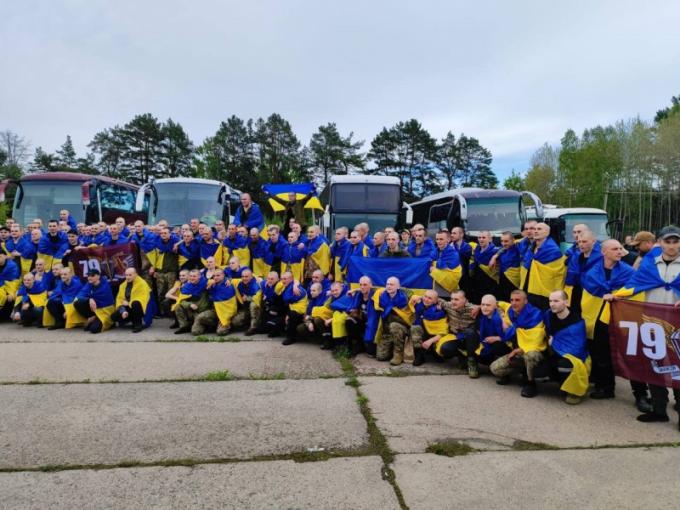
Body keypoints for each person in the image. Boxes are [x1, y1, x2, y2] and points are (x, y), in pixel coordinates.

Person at [613, 225, 680, 427]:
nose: (671, 246)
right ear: (659, 243)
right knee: (654, 365)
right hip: (653, 323)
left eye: (675, 241)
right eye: (667, 241)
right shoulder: (650, 264)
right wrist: (616, 296)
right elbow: (634, 285)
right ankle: (659, 410)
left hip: (677, 324)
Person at [580, 239, 635, 400]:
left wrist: (616, 294)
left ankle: (639, 393)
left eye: (620, 248)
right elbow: (589, 291)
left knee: (627, 354)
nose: (619, 251)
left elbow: (633, 290)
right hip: (597, 316)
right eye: (615, 249)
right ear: (604, 252)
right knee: (600, 352)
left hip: (619, 318)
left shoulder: (628, 271)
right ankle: (604, 387)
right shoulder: (592, 272)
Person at [490, 290, 547, 398]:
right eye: (511, 300)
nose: (513, 303)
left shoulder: (535, 315)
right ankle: (523, 371)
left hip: (534, 351)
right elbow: (497, 303)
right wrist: (502, 317)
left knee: (531, 355)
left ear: (525, 301)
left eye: (517, 300)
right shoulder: (510, 310)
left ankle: (531, 384)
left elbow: (536, 342)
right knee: (495, 369)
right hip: (517, 351)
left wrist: (518, 350)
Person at [544, 290, 591, 405]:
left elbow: (577, 348)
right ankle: (560, 383)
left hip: (575, 358)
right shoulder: (548, 314)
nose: (552, 304)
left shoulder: (577, 321)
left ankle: (573, 392)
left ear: (566, 302)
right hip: (555, 351)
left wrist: (554, 342)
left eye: (556, 301)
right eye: (550, 301)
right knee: (537, 366)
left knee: (565, 364)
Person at [520, 222, 566, 310]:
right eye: (535, 229)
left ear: (547, 233)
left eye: (539, 229)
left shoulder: (553, 250)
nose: (536, 231)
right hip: (529, 288)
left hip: (544, 293)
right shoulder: (531, 247)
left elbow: (558, 273)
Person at [465, 295, 513, 378]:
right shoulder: (481, 315)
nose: (485, 307)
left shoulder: (503, 319)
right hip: (485, 344)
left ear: (495, 306)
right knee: (470, 333)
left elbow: (513, 335)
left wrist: (498, 338)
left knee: (498, 345)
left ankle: (505, 371)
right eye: (483, 304)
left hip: (504, 345)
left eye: (488, 305)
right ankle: (472, 364)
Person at [371, 277, 413, 365]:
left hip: (400, 329)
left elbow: (407, 316)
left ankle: (398, 353)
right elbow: (367, 289)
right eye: (387, 284)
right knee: (380, 357)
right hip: (386, 331)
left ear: (398, 287)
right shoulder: (381, 297)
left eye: (392, 284)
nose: (389, 286)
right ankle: (390, 348)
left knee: (394, 326)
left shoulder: (403, 299)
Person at [410, 290, 456, 367]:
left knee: (438, 340)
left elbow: (430, 316)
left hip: (434, 333)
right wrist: (417, 298)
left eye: (430, 298)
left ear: (435, 301)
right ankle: (419, 355)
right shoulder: (418, 303)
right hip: (421, 330)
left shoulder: (440, 310)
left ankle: (435, 353)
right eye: (425, 296)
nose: (426, 299)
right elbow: (416, 308)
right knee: (415, 329)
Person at [564, 230, 601, 316]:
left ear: (593, 241)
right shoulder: (576, 256)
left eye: (584, 242)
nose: (581, 244)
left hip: (591, 294)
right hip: (575, 292)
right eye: (579, 242)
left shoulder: (601, 258)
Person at [435, 290, 477, 363]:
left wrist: (479, 307)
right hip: (457, 338)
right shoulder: (449, 306)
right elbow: (434, 298)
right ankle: (462, 357)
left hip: (471, 340)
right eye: (452, 299)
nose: (453, 302)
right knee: (445, 349)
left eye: (456, 299)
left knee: (470, 332)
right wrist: (417, 297)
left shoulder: (473, 309)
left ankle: (471, 361)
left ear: (465, 301)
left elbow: (491, 307)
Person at [338, 276, 377, 357]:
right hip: (361, 321)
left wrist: (355, 289)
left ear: (371, 285)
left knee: (371, 352)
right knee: (349, 320)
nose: (362, 287)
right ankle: (355, 344)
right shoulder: (359, 295)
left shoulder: (375, 296)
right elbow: (353, 307)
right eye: (360, 285)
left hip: (371, 324)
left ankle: (364, 344)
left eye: (365, 285)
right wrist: (355, 290)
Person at [193, 268, 238, 336]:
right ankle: (213, 325)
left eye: (218, 275)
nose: (215, 277)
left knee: (220, 332)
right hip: (215, 310)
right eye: (214, 276)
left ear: (223, 275)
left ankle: (226, 325)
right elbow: (199, 280)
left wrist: (229, 279)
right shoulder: (211, 283)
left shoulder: (229, 284)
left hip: (226, 312)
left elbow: (244, 277)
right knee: (199, 320)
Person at [73, 269, 115, 334]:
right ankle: (92, 317)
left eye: (92, 275)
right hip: (96, 308)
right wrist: (90, 299)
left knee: (93, 329)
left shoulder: (105, 285)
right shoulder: (89, 283)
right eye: (88, 275)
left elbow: (99, 298)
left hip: (105, 310)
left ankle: (111, 323)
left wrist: (90, 298)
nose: (89, 277)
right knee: (77, 303)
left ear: (98, 276)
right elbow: (80, 294)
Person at [112, 268, 153, 333]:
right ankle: (130, 319)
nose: (127, 277)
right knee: (113, 317)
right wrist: (123, 311)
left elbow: (142, 299)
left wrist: (128, 303)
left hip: (142, 309)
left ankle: (138, 324)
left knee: (135, 303)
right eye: (126, 275)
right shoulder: (123, 285)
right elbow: (119, 299)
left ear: (136, 274)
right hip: (129, 307)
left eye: (130, 275)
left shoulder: (142, 283)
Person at [174, 269, 210, 335]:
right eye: (190, 276)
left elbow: (218, 280)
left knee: (195, 332)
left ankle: (206, 325)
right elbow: (181, 301)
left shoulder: (206, 283)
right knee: (178, 306)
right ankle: (184, 327)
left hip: (203, 311)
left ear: (199, 276)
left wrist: (226, 280)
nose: (192, 278)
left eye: (194, 276)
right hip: (192, 311)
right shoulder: (186, 287)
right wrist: (189, 304)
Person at [279, 271, 308, 346]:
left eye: (285, 279)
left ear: (291, 279)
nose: (283, 281)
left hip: (301, 313)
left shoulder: (298, 289)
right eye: (282, 279)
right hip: (292, 310)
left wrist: (295, 284)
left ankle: (291, 338)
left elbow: (287, 299)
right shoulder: (288, 286)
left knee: (292, 315)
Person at [469, 231, 499, 303]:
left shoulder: (495, 251)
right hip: (476, 284)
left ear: (490, 239)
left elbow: (506, 248)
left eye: (483, 237)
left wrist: (495, 257)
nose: (481, 239)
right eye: (479, 237)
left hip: (491, 285)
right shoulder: (476, 249)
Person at [430, 230, 462, 294]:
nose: (438, 241)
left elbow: (447, 271)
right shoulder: (433, 252)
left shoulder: (453, 254)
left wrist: (433, 268)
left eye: (441, 239)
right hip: (434, 289)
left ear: (448, 240)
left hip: (447, 292)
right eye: (437, 239)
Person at [233, 269, 262, 335]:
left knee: (253, 305)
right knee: (236, 322)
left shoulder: (256, 284)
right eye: (242, 276)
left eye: (246, 276)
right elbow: (230, 280)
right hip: (246, 307)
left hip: (258, 308)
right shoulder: (240, 284)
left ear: (251, 277)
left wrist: (247, 298)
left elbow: (257, 298)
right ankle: (247, 323)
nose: (244, 278)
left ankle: (254, 327)